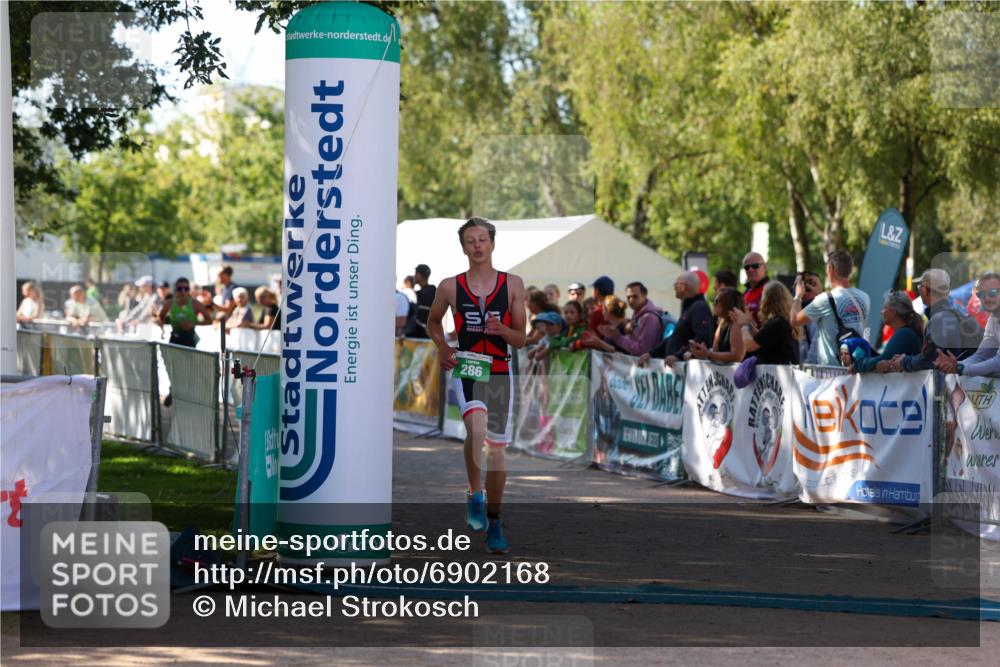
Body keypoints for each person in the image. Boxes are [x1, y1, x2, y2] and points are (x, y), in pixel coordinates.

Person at [426, 217, 527, 554]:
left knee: (497, 451)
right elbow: (432, 322)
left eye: (483, 239)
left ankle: (495, 521)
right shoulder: (449, 286)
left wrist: (503, 332)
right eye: (471, 241)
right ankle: (474, 493)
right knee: (476, 429)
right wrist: (443, 348)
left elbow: (522, 339)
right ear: (463, 247)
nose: (478, 246)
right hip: (469, 366)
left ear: (493, 243)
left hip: (499, 369)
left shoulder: (513, 284)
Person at [888, 268, 982, 373]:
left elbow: (930, 359)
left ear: (925, 290)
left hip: (952, 385)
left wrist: (904, 362)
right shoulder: (954, 314)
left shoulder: (940, 318)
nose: (919, 289)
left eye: (920, 286)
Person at [792, 250, 870, 367]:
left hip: (831, 373)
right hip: (854, 370)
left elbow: (794, 319)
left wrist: (798, 295)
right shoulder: (864, 297)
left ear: (831, 268)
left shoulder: (824, 300)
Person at [935, 271, 1000, 377]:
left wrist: (960, 368)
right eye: (981, 294)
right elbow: (981, 356)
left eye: (992, 292)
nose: (987, 298)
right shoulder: (993, 320)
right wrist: (953, 365)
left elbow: (998, 363)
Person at [844, 291, 923, 373]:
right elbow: (886, 359)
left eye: (884, 308)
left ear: (893, 312)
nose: (881, 312)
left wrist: (858, 365)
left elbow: (882, 360)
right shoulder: (907, 332)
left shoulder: (904, 334)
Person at [644, 271, 713, 365]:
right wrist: (651, 353)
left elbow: (702, 338)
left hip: (687, 370)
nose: (674, 288)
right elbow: (676, 337)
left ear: (683, 286)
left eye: (675, 285)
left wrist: (678, 356)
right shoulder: (690, 307)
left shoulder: (699, 307)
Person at [731, 281, 800, 365]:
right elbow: (761, 338)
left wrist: (743, 325)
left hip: (780, 375)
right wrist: (748, 323)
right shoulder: (782, 320)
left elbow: (750, 345)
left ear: (768, 299)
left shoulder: (777, 323)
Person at [597, 282, 663, 357]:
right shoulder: (638, 315)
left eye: (635, 296)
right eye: (628, 297)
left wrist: (617, 337)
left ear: (644, 295)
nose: (631, 300)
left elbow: (642, 351)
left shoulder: (649, 318)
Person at [688, 287, 746, 363]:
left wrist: (707, 353)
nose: (713, 304)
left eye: (716, 301)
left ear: (727, 304)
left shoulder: (736, 322)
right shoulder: (722, 322)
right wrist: (702, 352)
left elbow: (736, 356)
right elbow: (715, 351)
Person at [794, 271, 823, 364]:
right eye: (800, 284)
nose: (806, 287)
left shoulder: (822, 311)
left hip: (813, 369)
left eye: (812, 283)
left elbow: (817, 347)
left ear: (820, 288)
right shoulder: (789, 311)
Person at [407, 264, 436, 339]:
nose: (414, 276)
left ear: (419, 275)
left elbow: (422, 313)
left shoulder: (428, 291)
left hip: (421, 336)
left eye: (416, 274)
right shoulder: (432, 290)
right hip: (423, 335)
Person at [742, 252, 770, 327]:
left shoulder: (771, 291)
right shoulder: (745, 293)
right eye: (747, 267)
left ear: (764, 267)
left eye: (755, 266)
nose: (750, 269)